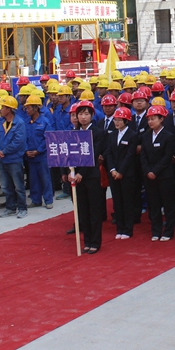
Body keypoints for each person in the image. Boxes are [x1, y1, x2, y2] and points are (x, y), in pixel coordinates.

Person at [66, 101, 107, 254]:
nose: (83, 117)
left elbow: (93, 155)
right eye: (80, 114)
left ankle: (95, 242)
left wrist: (81, 173)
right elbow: (69, 155)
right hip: (76, 177)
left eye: (86, 114)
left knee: (94, 210)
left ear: (92, 115)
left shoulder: (97, 132)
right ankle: (87, 241)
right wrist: (70, 173)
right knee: (83, 210)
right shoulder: (73, 132)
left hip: (91, 176)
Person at [140, 104, 175, 242]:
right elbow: (143, 156)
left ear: (161, 119)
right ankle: (156, 231)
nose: (150, 122)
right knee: (153, 204)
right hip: (149, 176)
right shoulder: (146, 136)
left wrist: (155, 171)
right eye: (149, 119)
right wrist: (148, 171)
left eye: (153, 119)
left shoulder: (169, 136)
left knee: (168, 204)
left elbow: (167, 157)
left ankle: (168, 231)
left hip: (164, 175)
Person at [105, 106, 140, 238]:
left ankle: (128, 229)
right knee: (117, 201)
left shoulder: (132, 135)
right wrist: (112, 170)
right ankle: (119, 228)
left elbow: (130, 155)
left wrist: (121, 171)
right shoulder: (112, 135)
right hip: (114, 174)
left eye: (120, 120)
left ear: (126, 121)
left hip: (127, 174)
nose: (117, 122)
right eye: (115, 120)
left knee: (127, 201)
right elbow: (109, 153)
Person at [0, 95, 28, 218]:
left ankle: (22, 208)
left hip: (14, 159)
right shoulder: (1, 123)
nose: (0, 109)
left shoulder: (19, 123)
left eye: (2, 107)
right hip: (3, 160)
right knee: (6, 186)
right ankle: (10, 208)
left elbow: (18, 142)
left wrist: (4, 151)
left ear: (8, 109)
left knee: (18, 186)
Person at [24, 94, 54, 209]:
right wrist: (27, 150)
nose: (27, 110)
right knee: (34, 179)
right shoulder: (27, 122)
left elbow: (48, 138)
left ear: (35, 108)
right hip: (30, 157)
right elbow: (24, 138)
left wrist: (38, 150)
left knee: (45, 178)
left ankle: (48, 200)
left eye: (28, 108)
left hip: (42, 156)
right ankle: (36, 200)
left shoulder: (45, 122)